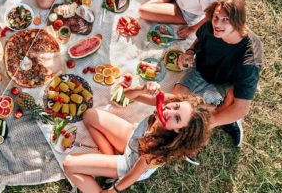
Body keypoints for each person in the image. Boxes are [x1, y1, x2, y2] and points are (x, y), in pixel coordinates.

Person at [63, 82, 212, 193]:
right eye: (176, 106)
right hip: (132, 138)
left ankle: (103, 186)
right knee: (90, 115)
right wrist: (143, 89)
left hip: (131, 163)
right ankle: (109, 158)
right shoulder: (167, 102)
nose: (169, 112)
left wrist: (113, 190)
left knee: (69, 164)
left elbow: (134, 174)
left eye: (177, 118)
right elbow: (127, 95)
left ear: (179, 131)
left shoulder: (158, 148)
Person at [173, 0, 263, 155]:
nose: (217, 24)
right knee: (176, 103)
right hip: (201, 70)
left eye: (225, 20)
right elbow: (201, 40)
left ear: (238, 21)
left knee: (200, 118)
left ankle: (231, 121)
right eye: (216, 17)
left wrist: (206, 124)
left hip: (226, 84)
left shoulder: (250, 59)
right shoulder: (210, 26)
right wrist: (190, 51)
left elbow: (241, 109)